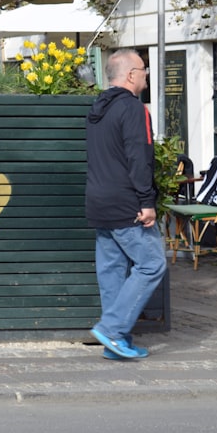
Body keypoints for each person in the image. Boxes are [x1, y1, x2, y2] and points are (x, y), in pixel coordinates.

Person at [85, 48, 167, 360]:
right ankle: (113, 329)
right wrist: (147, 202)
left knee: (112, 272)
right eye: (144, 69)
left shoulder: (98, 108)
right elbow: (140, 157)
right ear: (131, 75)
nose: (146, 74)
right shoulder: (134, 109)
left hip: (98, 202)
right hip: (127, 204)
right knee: (152, 264)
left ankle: (116, 343)